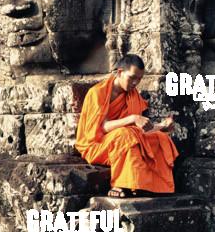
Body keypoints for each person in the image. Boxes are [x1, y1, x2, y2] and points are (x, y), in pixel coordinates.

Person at [75, 54, 179, 198]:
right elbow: (100, 129)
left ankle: (150, 186)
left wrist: (162, 126)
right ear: (119, 72)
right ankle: (121, 184)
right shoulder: (97, 93)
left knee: (160, 138)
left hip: (122, 137)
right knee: (125, 135)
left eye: (139, 79)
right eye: (132, 78)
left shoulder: (132, 95)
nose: (135, 83)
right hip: (96, 145)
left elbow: (139, 130)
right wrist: (132, 118)